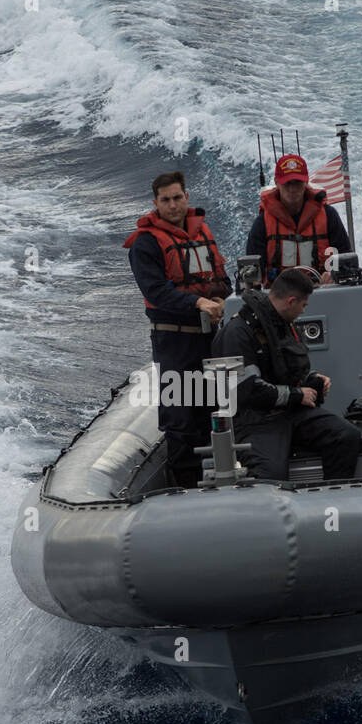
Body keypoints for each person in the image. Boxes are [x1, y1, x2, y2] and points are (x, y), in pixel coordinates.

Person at [125, 170, 232, 488]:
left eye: (177, 198)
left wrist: (217, 296)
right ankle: (184, 487)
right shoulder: (145, 244)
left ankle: (222, 476)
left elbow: (223, 279)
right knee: (181, 415)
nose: (173, 205)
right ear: (155, 203)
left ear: (187, 197)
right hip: (174, 339)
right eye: (165, 200)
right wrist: (197, 303)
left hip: (210, 336)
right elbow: (156, 290)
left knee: (215, 406)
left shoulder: (202, 233)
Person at [210, 266, 360, 481]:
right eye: (303, 305)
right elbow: (247, 390)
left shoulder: (281, 325)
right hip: (255, 422)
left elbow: (288, 370)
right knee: (270, 475)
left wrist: (312, 380)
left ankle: (331, 501)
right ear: (291, 301)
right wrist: (298, 395)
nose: (303, 312)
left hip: (289, 413)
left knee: (346, 436)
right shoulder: (237, 334)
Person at [245, 154, 353, 284]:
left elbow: (346, 259)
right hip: (278, 298)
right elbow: (252, 273)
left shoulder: (329, 215)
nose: (292, 189)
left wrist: (334, 273)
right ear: (276, 183)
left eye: (297, 183)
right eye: (287, 183)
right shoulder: (262, 223)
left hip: (323, 293)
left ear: (306, 182)